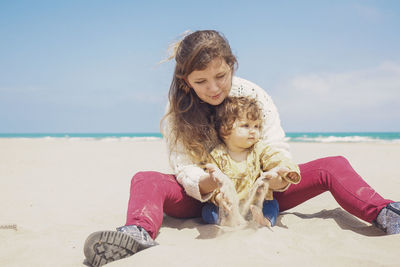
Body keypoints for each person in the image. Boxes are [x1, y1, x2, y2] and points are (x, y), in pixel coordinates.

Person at [83, 30, 400, 267]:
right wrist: (211, 183)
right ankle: (137, 232)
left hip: (263, 191)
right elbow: (184, 168)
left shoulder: (253, 94)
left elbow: (274, 143)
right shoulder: (176, 112)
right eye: (201, 81)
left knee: (333, 163)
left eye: (220, 75)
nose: (214, 87)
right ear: (186, 82)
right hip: (205, 200)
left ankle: (387, 214)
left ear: (232, 66)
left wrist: (278, 173)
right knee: (146, 179)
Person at [201, 96, 301, 228]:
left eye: (257, 126)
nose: (253, 131)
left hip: (256, 202)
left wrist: (287, 171)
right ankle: (231, 221)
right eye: (246, 125)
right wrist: (218, 198)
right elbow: (211, 184)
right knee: (207, 212)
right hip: (230, 206)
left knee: (272, 205)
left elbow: (276, 157)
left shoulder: (258, 148)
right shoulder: (217, 154)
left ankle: (264, 221)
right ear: (225, 129)